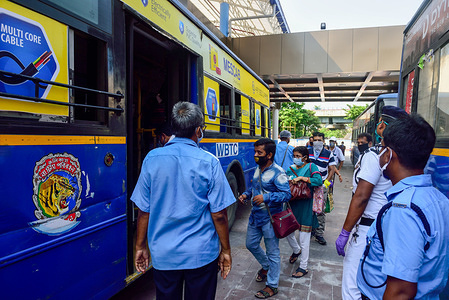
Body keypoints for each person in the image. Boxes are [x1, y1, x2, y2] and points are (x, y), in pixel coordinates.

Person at [132, 102, 235, 299]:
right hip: (201, 254)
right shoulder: (209, 161)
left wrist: (140, 246)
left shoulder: (152, 158)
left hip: (164, 254)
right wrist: (226, 250)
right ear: (198, 130)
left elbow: (144, 210)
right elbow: (219, 215)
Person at [357, 114, 449, 299]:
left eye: (382, 148)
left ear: (389, 155)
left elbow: (401, 291)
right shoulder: (439, 199)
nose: (380, 155)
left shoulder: (403, 210)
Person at [335, 133, 392, 300]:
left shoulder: (373, 156)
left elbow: (361, 197)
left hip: (367, 229)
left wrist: (345, 232)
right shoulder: (400, 159)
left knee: (352, 283)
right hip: (385, 226)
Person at [238, 138, 291, 299]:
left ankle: (272, 285)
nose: (255, 155)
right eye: (255, 152)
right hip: (255, 217)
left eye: (259, 152)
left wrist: (266, 198)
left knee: (273, 252)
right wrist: (247, 194)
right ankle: (266, 266)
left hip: (270, 218)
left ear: (269, 155)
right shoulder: (258, 168)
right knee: (251, 244)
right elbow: (254, 186)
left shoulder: (278, 172)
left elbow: (287, 194)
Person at [285, 146, 323, 278]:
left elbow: (318, 181)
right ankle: (296, 250)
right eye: (294, 156)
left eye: (298, 156)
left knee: (304, 239)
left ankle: (303, 266)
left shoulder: (312, 167)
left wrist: (302, 178)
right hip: (292, 205)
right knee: (288, 232)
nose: (295, 158)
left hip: (306, 207)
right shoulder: (290, 169)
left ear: (305, 157)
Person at [308, 132, 341, 245]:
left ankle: (319, 233)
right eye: (315, 140)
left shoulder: (328, 153)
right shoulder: (308, 152)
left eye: (319, 140)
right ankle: (310, 229)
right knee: (309, 208)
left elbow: (332, 169)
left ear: (323, 141)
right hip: (310, 184)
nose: (317, 142)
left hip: (322, 185)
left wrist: (326, 183)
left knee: (320, 210)